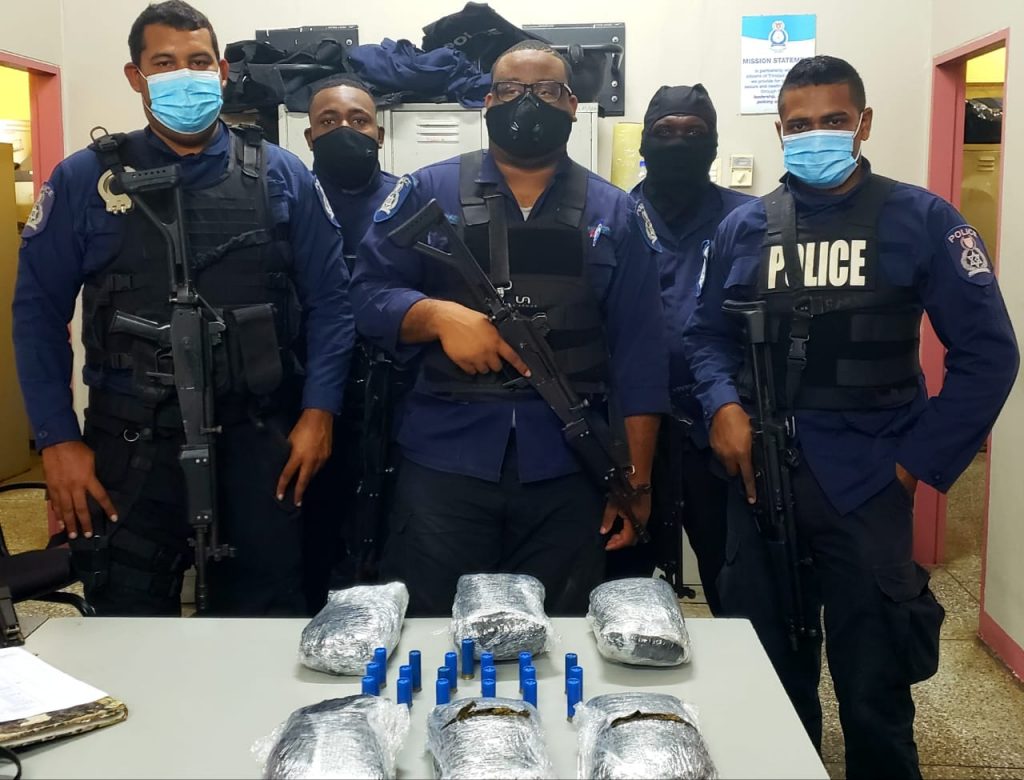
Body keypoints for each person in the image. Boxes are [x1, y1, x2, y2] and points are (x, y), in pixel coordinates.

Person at [683, 55, 1018, 779]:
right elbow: (705, 337)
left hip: (867, 482)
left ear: (863, 124)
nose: (816, 136)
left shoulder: (923, 219)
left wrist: (915, 465)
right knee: (767, 676)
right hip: (758, 479)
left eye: (834, 121)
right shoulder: (744, 228)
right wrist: (723, 406)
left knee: (874, 687)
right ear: (779, 131)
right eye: (799, 126)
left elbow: (989, 355)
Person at [12, 0, 354, 617]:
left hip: (259, 439)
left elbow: (333, 303)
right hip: (130, 442)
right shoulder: (85, 181)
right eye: (164, 63)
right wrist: (57, 440)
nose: (185, 75)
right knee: (126, 619)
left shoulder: (283, 175)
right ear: (135, 76)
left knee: (266, 620)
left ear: (221, 69)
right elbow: (37, 316)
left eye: (198, 61)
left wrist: (319, 411)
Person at [350, 40, 669, 617]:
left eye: (546, 91)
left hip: (569, 462)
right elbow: (367, 296)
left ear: (573, 105)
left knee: (556, 631)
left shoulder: (616, 213)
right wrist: (436, 316)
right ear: (487, 101)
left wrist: (636, 484)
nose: (529, 102)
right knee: (435, 626)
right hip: (445, 455)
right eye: (513, 90)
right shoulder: (427, 191)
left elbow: (641, 356)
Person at [605, 84, 753, 615]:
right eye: (665, 133)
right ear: (645, 142)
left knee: (734, 582)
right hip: (625, 432)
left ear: (713, 144)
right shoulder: (612, 217)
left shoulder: (749, 221)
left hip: (716, 428)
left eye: (694, 133)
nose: (679, 142)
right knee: (616, 579)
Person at [299, 76, 400, 610]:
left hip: (393, 394)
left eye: (358, 120)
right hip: (305, 394)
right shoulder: (289, 198)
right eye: (329, 121)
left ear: (379, 133)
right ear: (309, 137)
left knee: (385, 532)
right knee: (311, 529)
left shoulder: (407, 200)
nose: (345, 130)